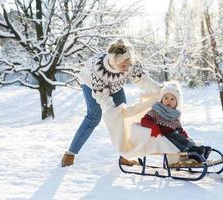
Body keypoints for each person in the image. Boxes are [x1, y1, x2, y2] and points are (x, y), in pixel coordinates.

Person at [61, 39, 162, 167]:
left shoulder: (130, 63)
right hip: (91, 83)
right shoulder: (99, 69)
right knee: (94, 117)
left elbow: (143, 80)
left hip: (115, 84)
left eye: (129, 64)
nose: (127, 69)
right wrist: (112, 111)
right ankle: (70, 154)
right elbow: (103, 98)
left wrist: (160, 89)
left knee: (125, 117)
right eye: (123, 66)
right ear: (115, 63)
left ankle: (125, 156)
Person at [140, 83, 211, 163]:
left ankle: (198, 150)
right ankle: (193, 153)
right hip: (162, 136)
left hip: (173, 133)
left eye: (172, 99)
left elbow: (179, 128)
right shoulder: (156, 111)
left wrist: (185, 137)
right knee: (175, 143)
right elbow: (144, 120)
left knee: (182, 139)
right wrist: (154, 127)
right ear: (161, 99)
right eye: (166, 98)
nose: (168, 101)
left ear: (176, 103)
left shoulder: (174, 114)